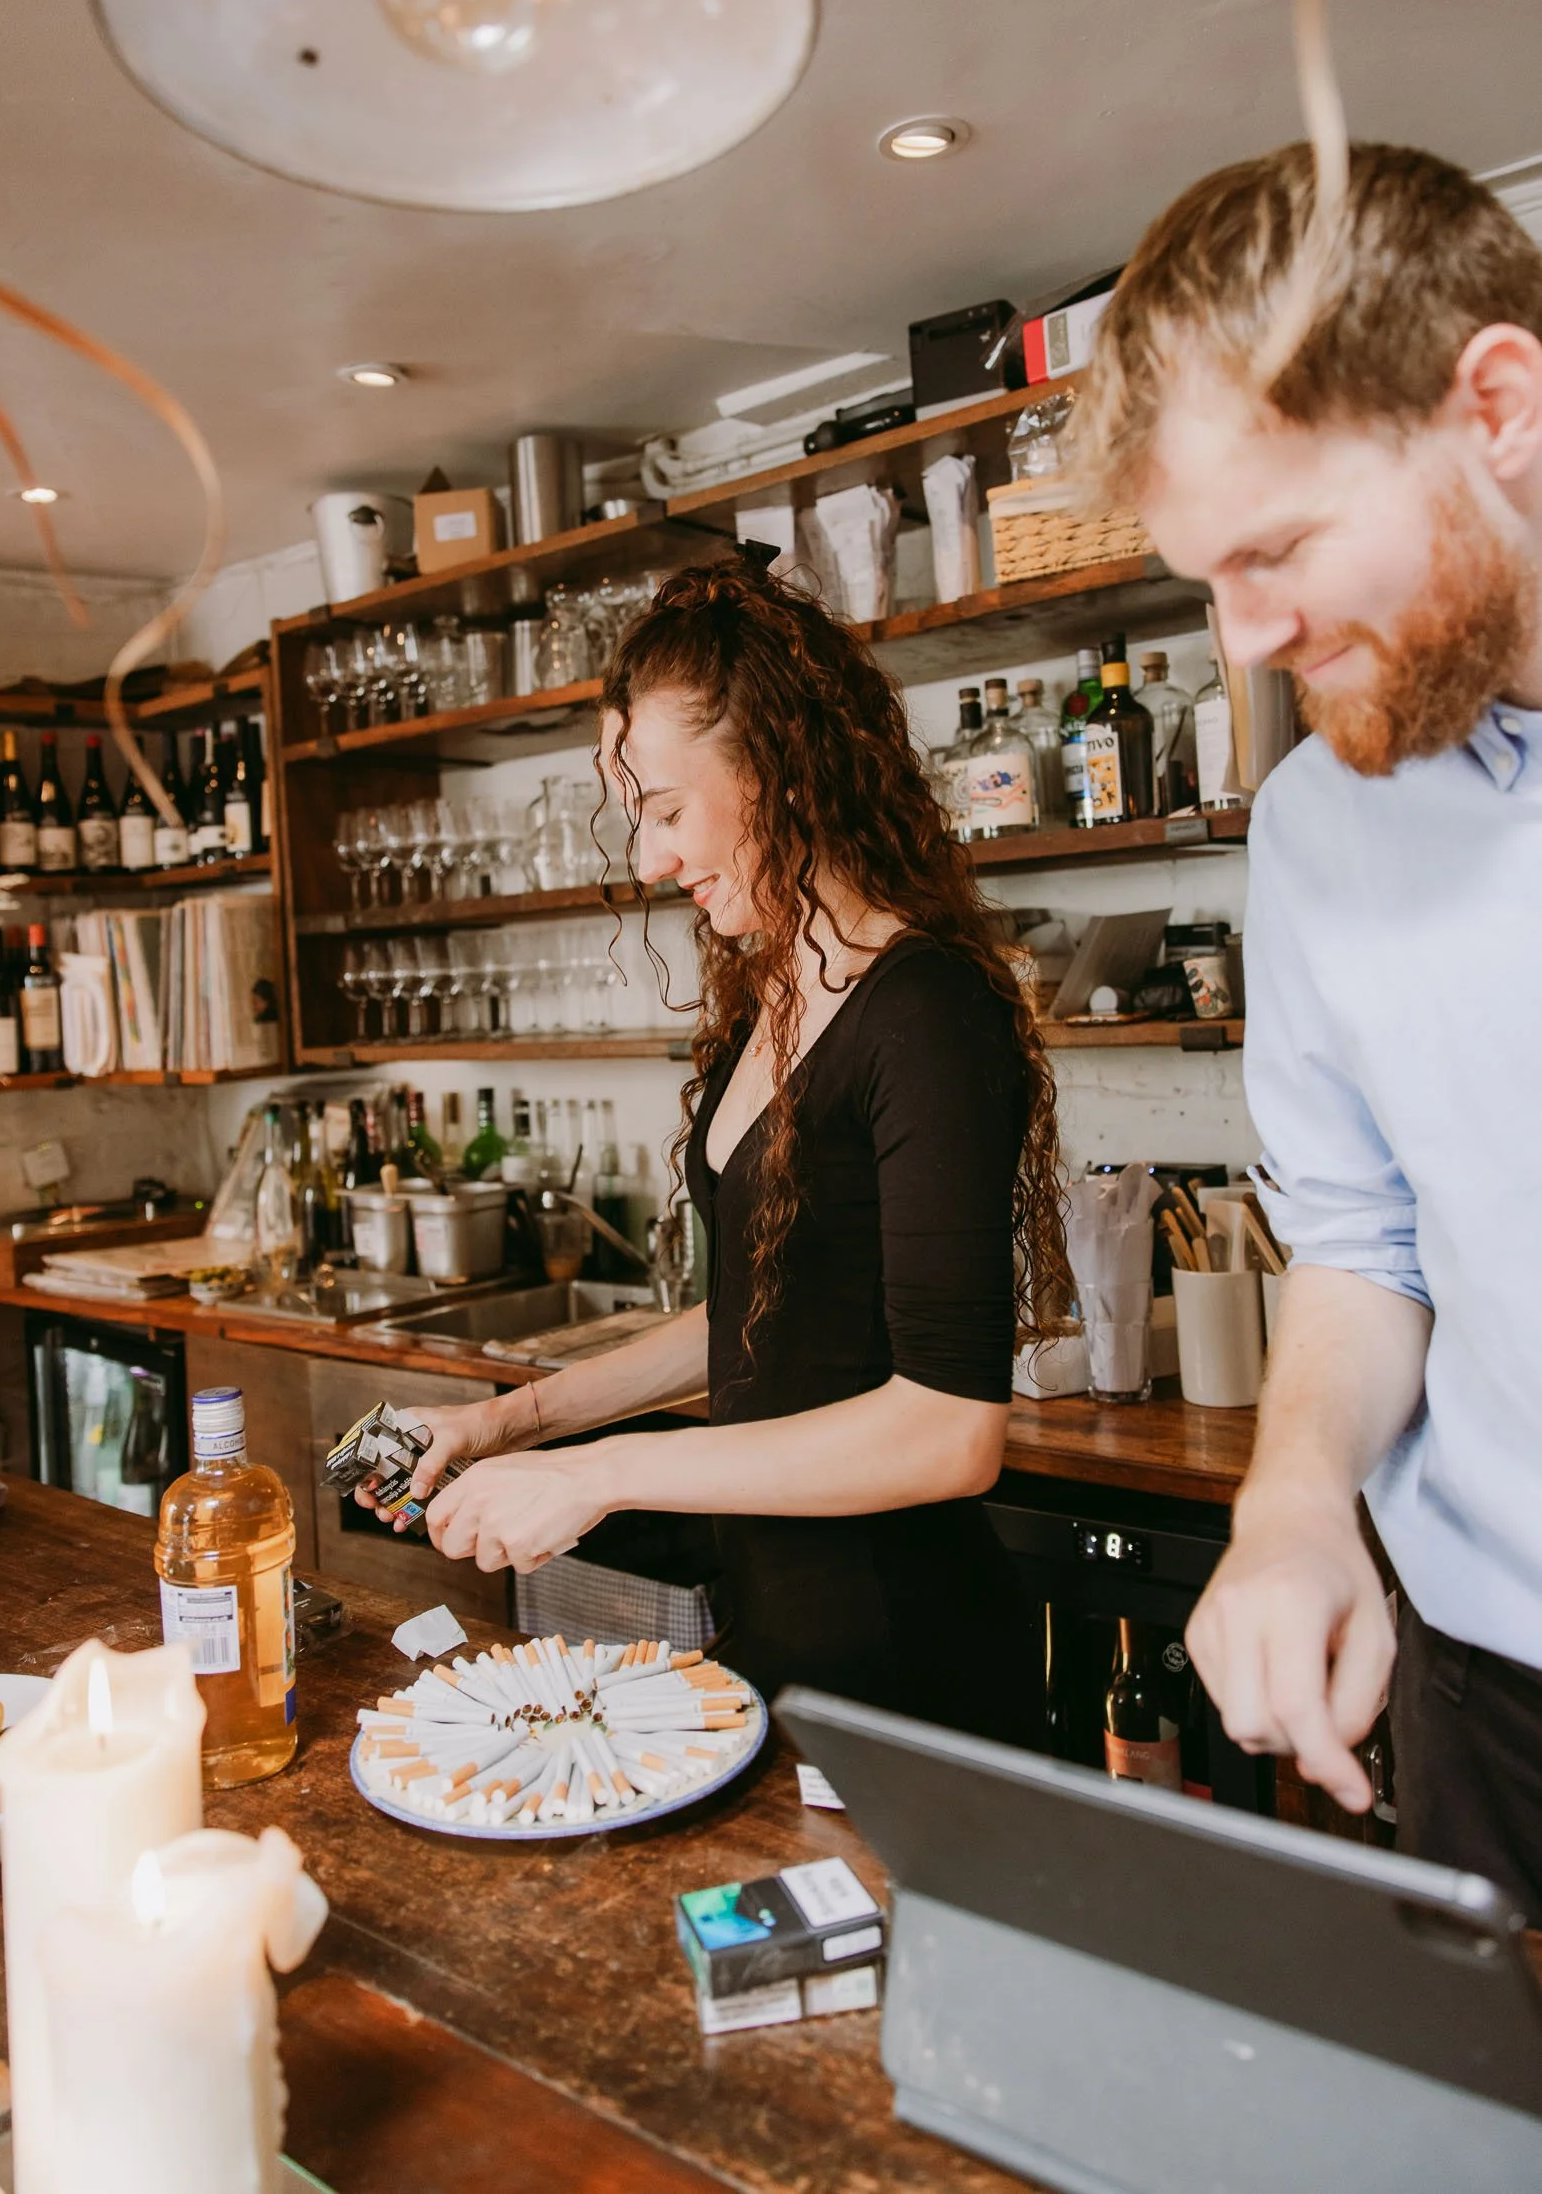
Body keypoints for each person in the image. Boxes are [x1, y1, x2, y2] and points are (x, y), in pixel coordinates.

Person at [358, 558, 1071, 1736]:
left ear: (781, 772)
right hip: (782, 1645)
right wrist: (504, 1424)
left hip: (911, 1677)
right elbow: (759, 1315)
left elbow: (949, 1433)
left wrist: (596, 1474)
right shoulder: (774, 999)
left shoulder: (927, 1013)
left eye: (666, 809)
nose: (647, 860)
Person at [1081, 140, 1542, 1915]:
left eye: (1273, 547)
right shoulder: (1317, 827)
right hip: (1489, 1697)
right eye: (1205, 576)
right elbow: (1365, 1244)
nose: (1250, 638)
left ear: (1490, 404)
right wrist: (1291, 1503)